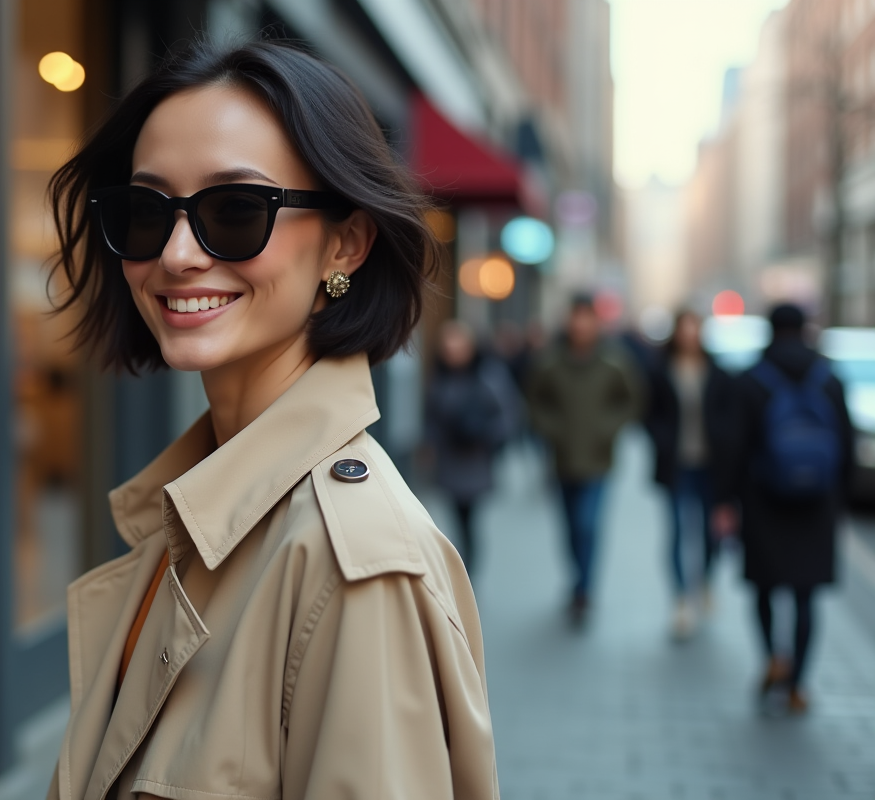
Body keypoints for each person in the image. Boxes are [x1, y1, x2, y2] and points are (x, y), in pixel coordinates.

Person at [43, 40, 498, 799]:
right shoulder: (197, 517)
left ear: (344, 244)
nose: (179, 254)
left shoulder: (353, 571)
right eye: (146, 212)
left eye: (235, 210)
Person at [719, 303, 853, 714]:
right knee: (805, 595)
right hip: (817, 504)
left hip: (764, 501)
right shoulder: (829, 379)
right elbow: (845, 446)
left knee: (764, 586)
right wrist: (838, 499)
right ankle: (798, 684)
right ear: (806, 329)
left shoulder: (751, 381)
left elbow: (733, 448)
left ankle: (772, 659)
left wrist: (725, 500)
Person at [526, 294, 644, 621]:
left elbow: (631, 401)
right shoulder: (551, 362)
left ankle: (585, 589)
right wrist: (552, 430)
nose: (581, 324)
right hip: (562, 459)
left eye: (587, 317)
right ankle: (577, 580)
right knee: (570, 527)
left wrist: (608, 428)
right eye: (576, 317)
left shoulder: (614, 362)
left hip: (598, 459)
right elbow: (534, 402)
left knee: (588, 524)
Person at [644, 310, 735, 639]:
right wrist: (662, 438)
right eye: (684, 328)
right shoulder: (660, 370)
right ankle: (681, 598)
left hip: (711, 466)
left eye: (694, 328)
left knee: (712, 534)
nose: (689, 334)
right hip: (677, 465)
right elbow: (649, 413)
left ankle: (706, 582)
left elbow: (729, 414)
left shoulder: (718, 372)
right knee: (679, 531)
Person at [426, 320, 519, 571]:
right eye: (448, 344)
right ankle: (462, 568)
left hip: (476, 461)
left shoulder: (489, 376)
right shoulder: (440, 379)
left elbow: (508, 415)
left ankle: (468, 571)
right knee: (456, 520)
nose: (453, 349)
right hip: (450, 462)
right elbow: (432, 419)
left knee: (470, 521)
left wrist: (486, 435)